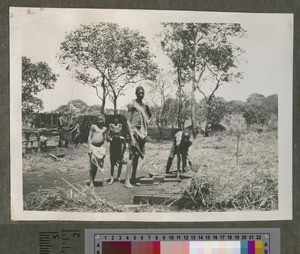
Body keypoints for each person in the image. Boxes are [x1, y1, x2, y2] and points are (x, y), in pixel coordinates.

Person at [125, 86, 152, 188]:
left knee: (137, 156)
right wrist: (131, 136)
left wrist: (147, 122)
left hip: (142, 134)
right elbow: (128, 121)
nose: (141, 94)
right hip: (134, 132)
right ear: (136, 94)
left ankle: (133, 178)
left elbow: (150, 115)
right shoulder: (132, 104)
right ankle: (127, 181)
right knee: (131, 156)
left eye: (142, 93)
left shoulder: (145, 106)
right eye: (139, 93)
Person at [88, 115, 107, 187]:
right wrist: (89, 148)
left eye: (101, 119)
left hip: (101, 148)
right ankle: (91, 182)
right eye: (99, 119)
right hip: (93, 147)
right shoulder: (93, 127)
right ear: (96, 120)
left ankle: (93, 179)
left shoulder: (104, 128)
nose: (100, 121)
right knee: (92, 165)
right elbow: (89, 137)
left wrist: (105, 150)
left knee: (98, 165)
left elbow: (105, 140)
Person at [107, 118, 126, 184]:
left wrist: (123, 152)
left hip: (119, 148)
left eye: (117, 119)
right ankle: (112, 177)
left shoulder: (120, 126)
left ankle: (118, 176)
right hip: (113, 148)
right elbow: (108, 135)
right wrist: (110, 138)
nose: (116, 120)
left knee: (120, 162)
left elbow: (124, 142)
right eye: (114, 119)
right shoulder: (111, 126)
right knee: (112, 163)